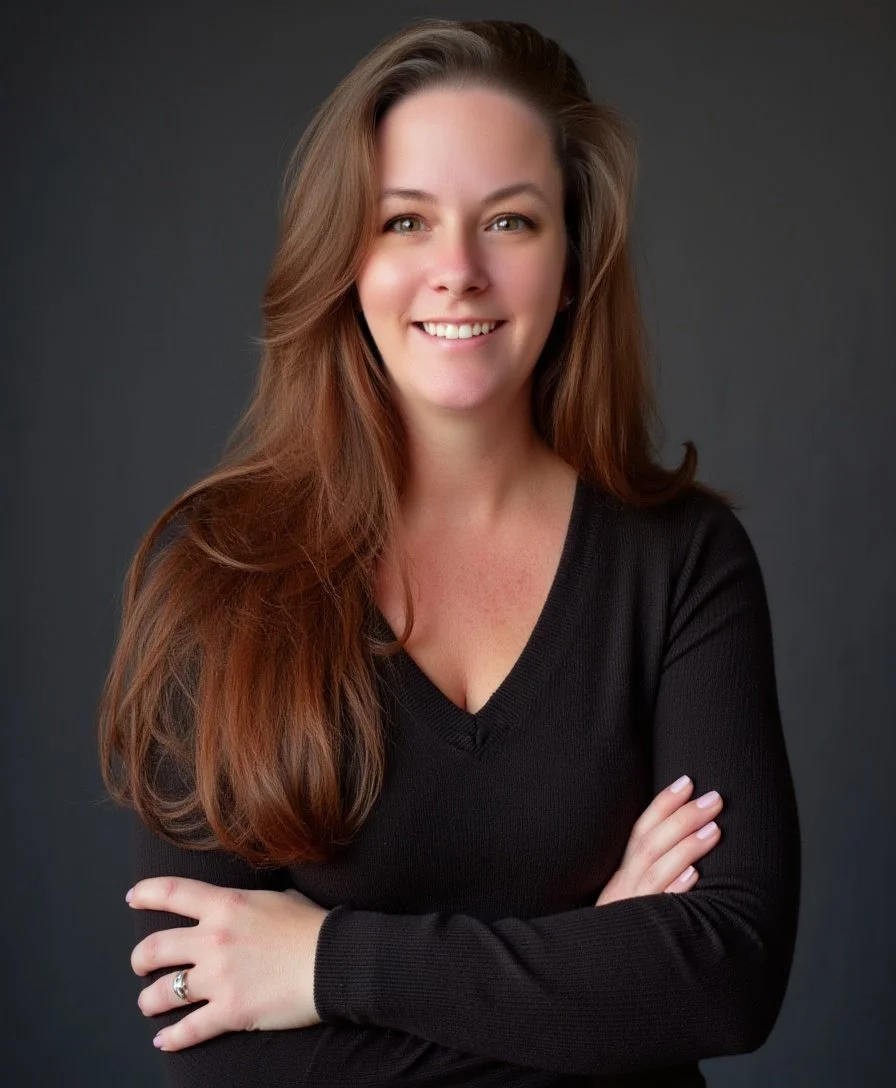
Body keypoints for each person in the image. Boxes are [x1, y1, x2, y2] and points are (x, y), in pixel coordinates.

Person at [98, 16, 800, 1088]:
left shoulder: (683, 561)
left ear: (571, 262)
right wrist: (591, 971)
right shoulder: (215, 575)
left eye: (510, 221)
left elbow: (726, 978)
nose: (457, 271)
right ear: (346, 256)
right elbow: (220, 1057)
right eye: (404, 221)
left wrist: (328, 962)